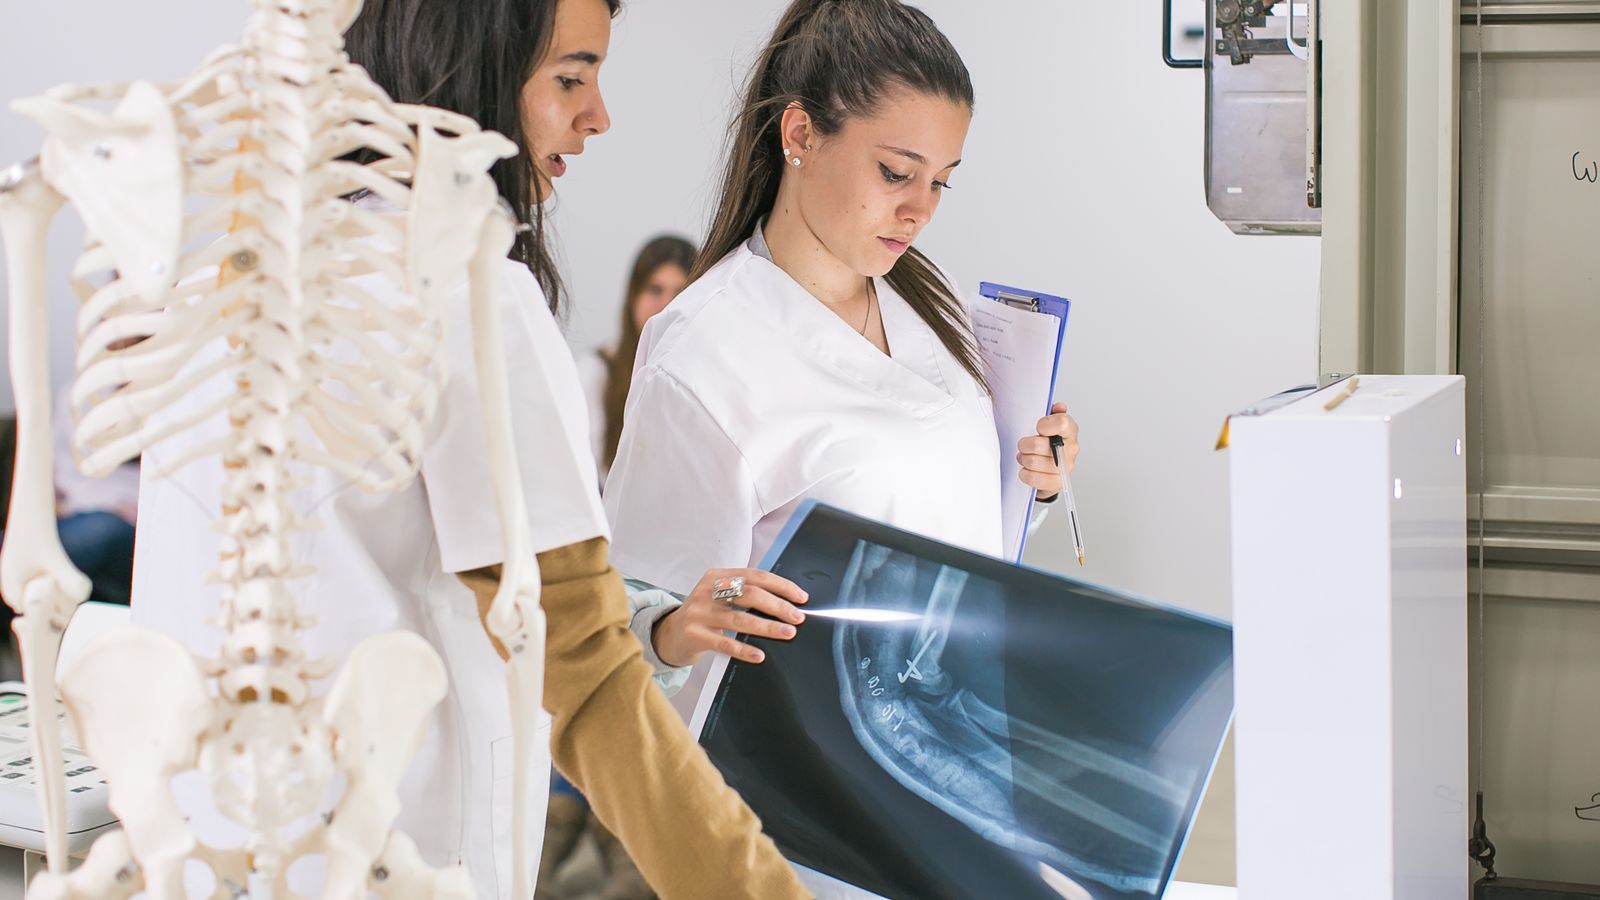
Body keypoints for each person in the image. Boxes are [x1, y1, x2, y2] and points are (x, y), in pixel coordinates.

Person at [128, 1, 808, 897]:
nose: (598, 115)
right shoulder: (465, 294)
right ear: (465, 67)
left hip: (202, 854)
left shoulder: (220, 279)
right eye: (569, 77)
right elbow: (585, 667)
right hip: (400, 854)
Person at [604, 0, 1082, 676]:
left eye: (941, 181)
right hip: (783, 764)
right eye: (895, 172)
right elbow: (637, 619)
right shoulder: (703, 351)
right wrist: (670, 627)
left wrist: (1038, 479)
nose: (919, 209)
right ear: (799, 133)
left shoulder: (928, 293)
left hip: (960, 700)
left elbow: (951, 521)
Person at [576, 235, 696, 480]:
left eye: (680, 292)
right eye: (655, 290)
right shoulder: (595, 373)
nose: (666, 304)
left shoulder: (705, 381)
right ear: (634, 295)